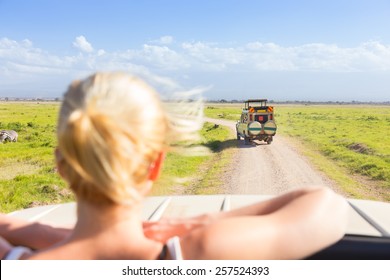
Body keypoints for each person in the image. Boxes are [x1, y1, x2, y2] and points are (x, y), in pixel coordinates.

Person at [0, 72, 349, 259]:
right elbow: (327, 206)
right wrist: (205, 221)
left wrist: (38, 234)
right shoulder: (190, 253)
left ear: (61, 164)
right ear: (156, 164)